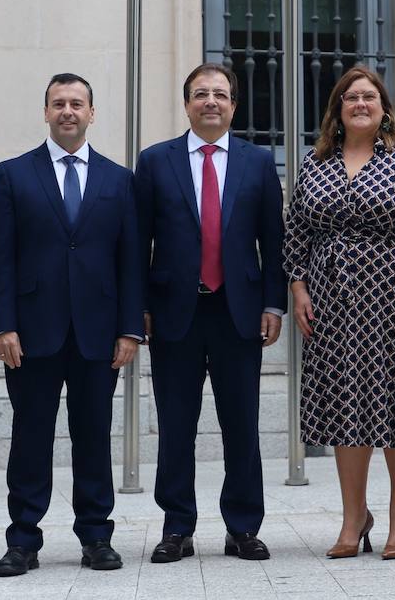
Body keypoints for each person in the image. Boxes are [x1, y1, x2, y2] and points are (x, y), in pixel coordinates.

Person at [285, 67, 395, 562]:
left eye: (370, 97)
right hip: (332, 304)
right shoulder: (314, 164)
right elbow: (295, 230)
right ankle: (353, 516)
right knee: (345, 405)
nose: (361, 103)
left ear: (384, 108)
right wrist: (298, 287)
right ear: (337, 110)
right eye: (351, 97)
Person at [0, 73, 145, 576]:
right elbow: (1, 258)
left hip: (99, 332)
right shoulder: (12, 175)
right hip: (31, 333)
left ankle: (96, 535)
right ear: (47, 112)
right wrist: (2, 325)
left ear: (92, 113)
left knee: (93, 434)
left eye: (77, 104)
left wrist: (129, 329)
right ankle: (23, 540)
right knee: (30, 434)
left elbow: (131, 261)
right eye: (59, 104)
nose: (68, 112)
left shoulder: (119, 180)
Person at [134, 63, 286, 563]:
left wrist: (272, 303)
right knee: (176, 424)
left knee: (241, 423)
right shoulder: (156, 162)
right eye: (200, 94)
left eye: (220, 94)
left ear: (234, 106)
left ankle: (243, 526)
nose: (211, 102)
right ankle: (177, 526)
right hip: (175, 312)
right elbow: (139, 242)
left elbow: (274, 241)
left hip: (237, 312)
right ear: (186, 104)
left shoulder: (258, 162)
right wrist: (139, 308)